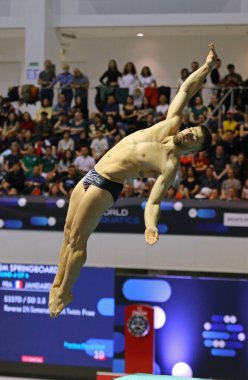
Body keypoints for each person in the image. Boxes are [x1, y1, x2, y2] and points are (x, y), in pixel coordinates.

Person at [49, 43, 217, 318]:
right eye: (190, 130)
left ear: (194, 151)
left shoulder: (169, 165)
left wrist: (151, 225)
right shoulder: (169, 124)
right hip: (92, 173)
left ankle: (66, 290)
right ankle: (57, 284)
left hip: (106, 185)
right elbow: (186, 90)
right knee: (67, 234)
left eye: (193, 139)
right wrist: (208, 67)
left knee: (79, 240)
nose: (188, 134)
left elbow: (153, 201)